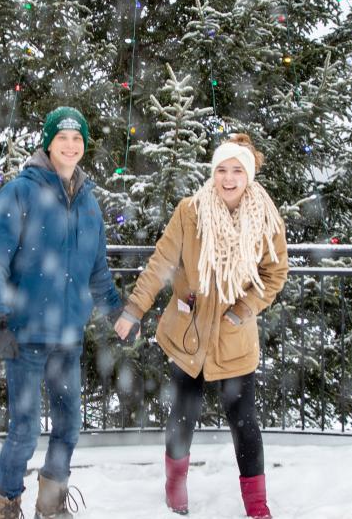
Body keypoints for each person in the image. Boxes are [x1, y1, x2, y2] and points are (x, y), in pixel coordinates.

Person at [113, 133, 288, 519]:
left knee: (245, 424)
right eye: (222, 170)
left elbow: (274, 275)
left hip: (233, 339)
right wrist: (134, 310)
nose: (228, 178)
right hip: (188, 334)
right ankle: (175, 489)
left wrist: (244, 309)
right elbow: (161, 263)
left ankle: (257, 506)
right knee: (183, 416)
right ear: (213, 173)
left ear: (249, 175)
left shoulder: (266, 219)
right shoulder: (190, 212)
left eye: (237, 170)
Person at [0, 106, 124, 519]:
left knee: (69, 427)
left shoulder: (90, 203)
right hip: (24, 335)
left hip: (67, 337)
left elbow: (97, 269)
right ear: (48, 142)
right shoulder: (21, 192)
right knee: (23, 432)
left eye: (78, 139)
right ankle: (5, 507)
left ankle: (51, 503)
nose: (71, 145)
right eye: (63, 138)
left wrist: (116, 310)